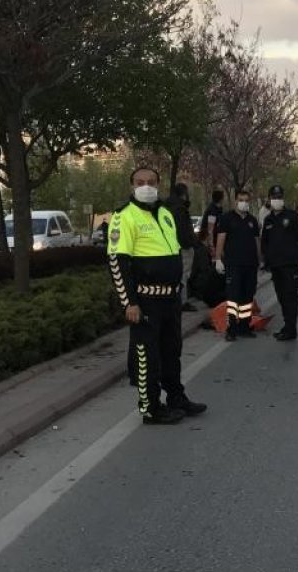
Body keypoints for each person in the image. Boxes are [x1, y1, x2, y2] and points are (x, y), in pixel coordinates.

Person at [107, 167, 207, 425]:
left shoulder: (165, 214)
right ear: (132, 186)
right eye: (140, 182)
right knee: (147, 357)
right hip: (145, 301)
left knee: (172, 351)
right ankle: (150, 408)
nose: (146, 186)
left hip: (171, 299)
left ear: (159, 184)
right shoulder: (124, 217)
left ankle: (176, 397)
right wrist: (128, 302)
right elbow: (118, 263)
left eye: (151, 182)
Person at [262, 186, 298, 341]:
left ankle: (291, 329)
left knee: (290, 296)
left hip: (290, 264)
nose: (277, 199)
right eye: (274, 197)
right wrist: (265, 261)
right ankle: (287, 325)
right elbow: (265, 242)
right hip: (276, 265)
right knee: (281, 296)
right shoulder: (268, 219)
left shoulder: (291, 216)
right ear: (269, 199)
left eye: (279, 196)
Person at [215, 189, 262, 341]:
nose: (244, 203)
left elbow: (256, 242)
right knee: (233, 297)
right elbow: (221, 239)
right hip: (233, 265)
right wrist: (218, 259)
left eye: (246, 200)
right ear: (235, 201)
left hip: (250, 265)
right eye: (241, 200)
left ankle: (244, 326)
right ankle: (232, 329)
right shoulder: (226, 218)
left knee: (247, 297)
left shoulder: (252, 220)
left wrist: (260, 260)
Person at [166, 182, 200, 313]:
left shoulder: (167, 207)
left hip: (170, 246)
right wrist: (191, 243)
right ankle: (182, 301)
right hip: (183, 246)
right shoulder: (180, 209)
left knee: (175, 274)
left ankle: (175, 300)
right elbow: (183, 231)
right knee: (183, 275)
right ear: (184, 194)